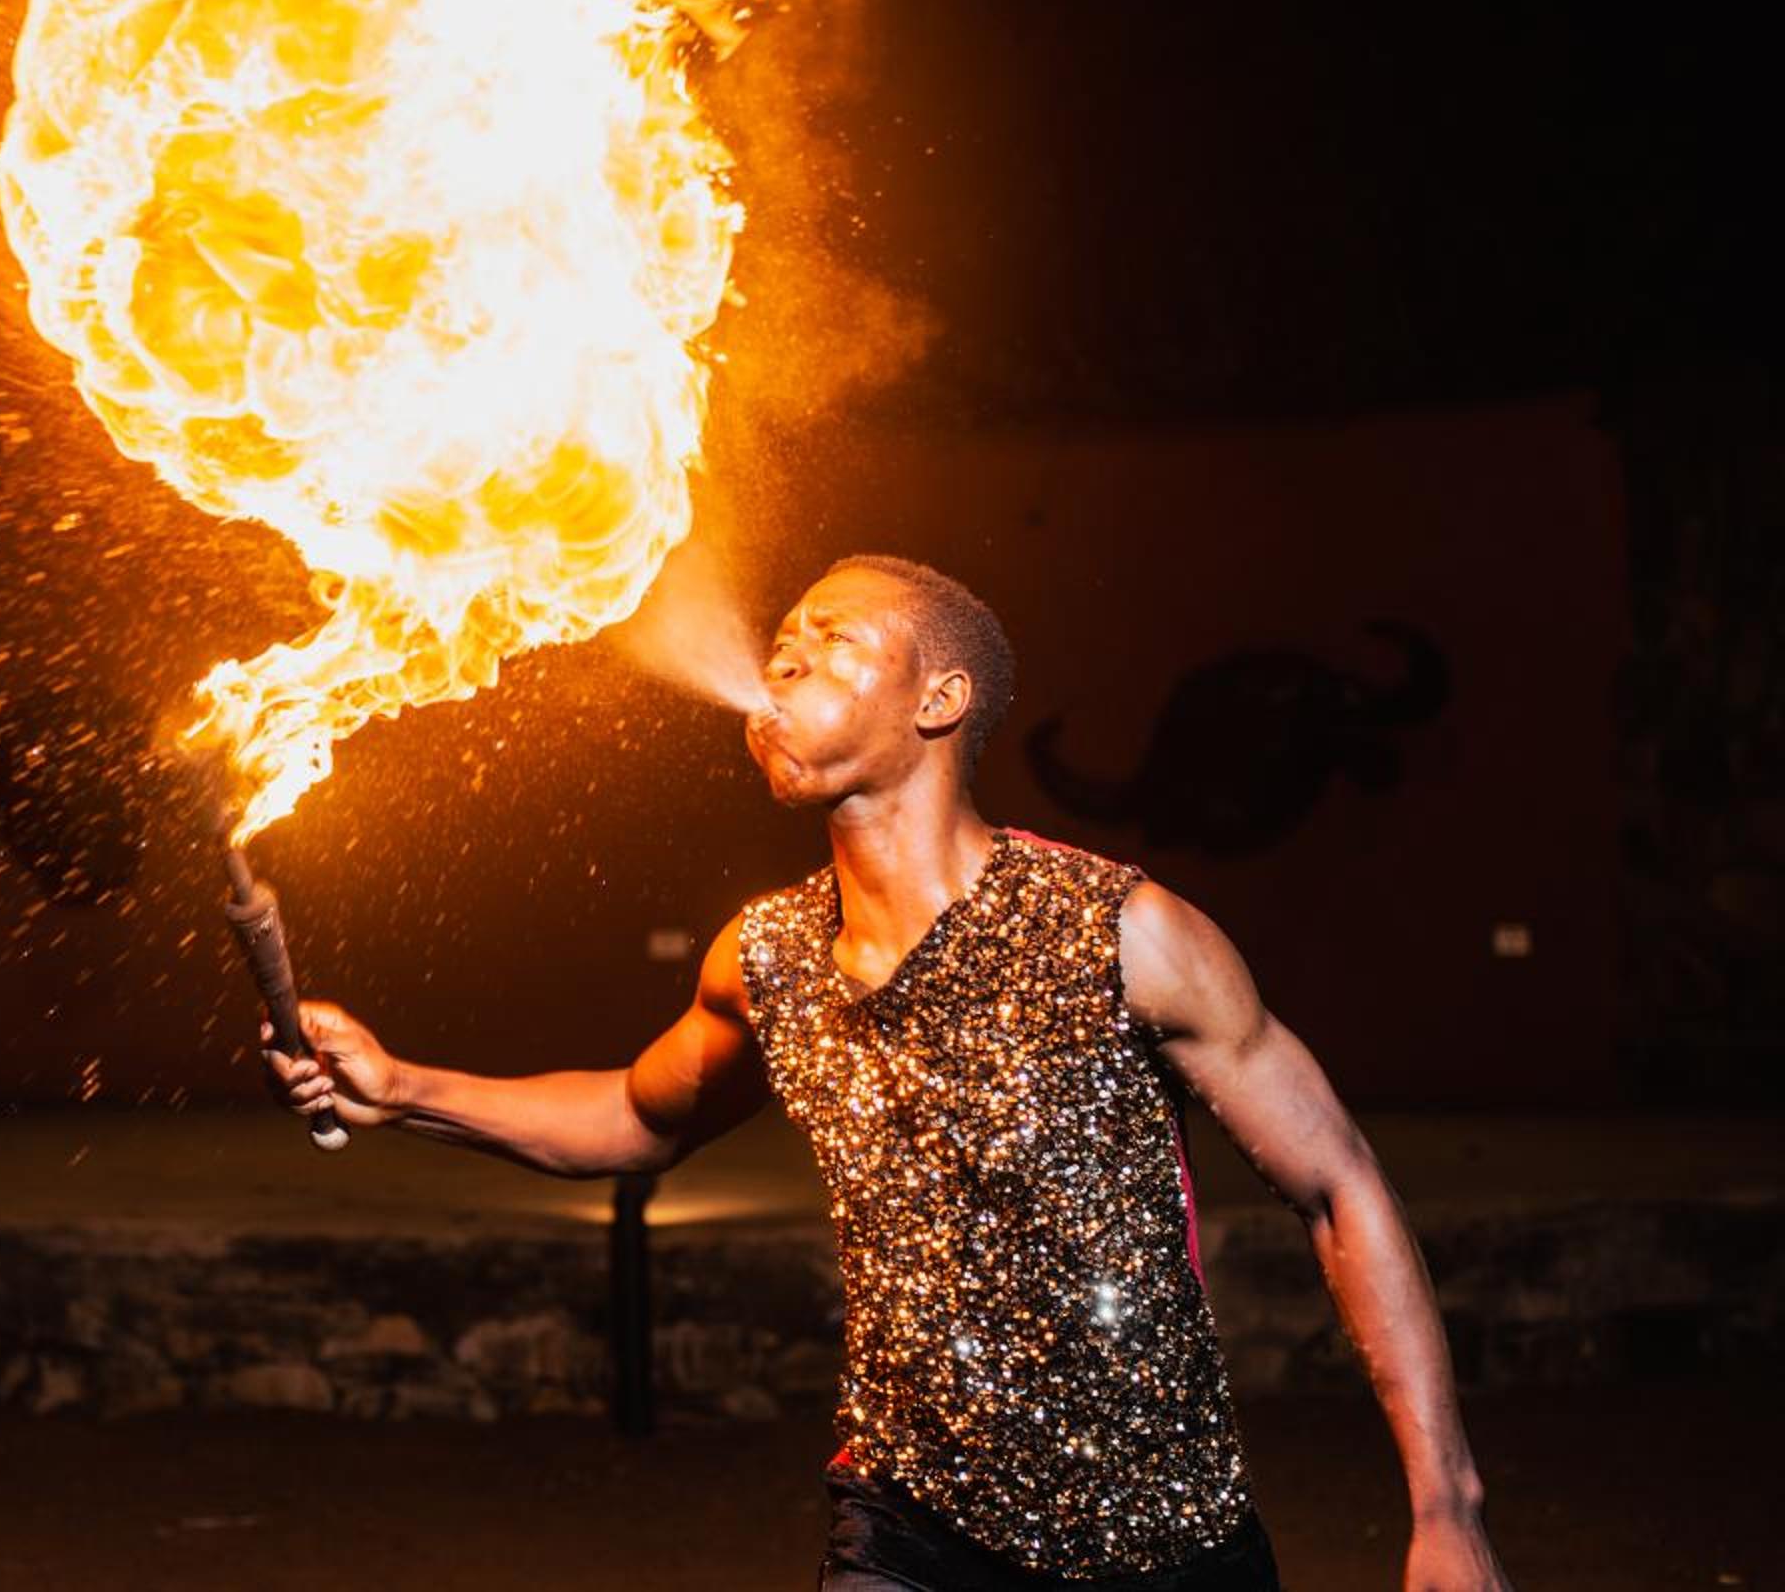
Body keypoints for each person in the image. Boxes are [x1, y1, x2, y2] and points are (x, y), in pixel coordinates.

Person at [262, 555, 1511, 1591]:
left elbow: (1340, 1183)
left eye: (834, 638)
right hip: (904, 1525)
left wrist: (1445, 1506)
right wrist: (403, 1086)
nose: (785, 659)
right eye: (780, 644)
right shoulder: (767, 955)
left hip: (1160, 1531)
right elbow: (637, 1114)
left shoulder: (1118, 932)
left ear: (940, 698)